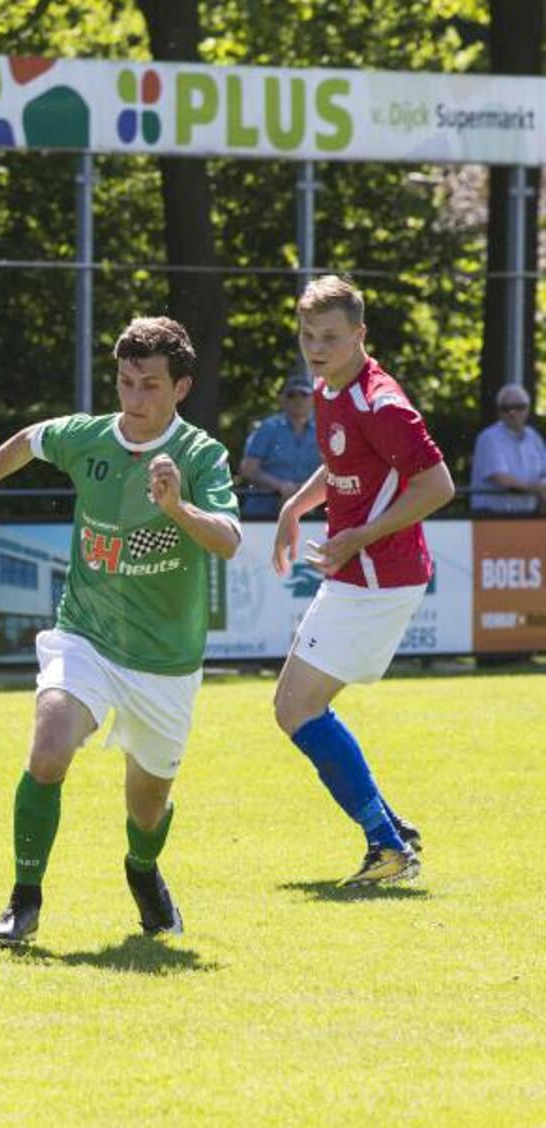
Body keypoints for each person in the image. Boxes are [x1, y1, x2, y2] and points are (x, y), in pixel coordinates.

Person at [0, 316, 241, 946]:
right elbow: (28, 440)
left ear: (181, 389)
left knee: (147, 806)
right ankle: (23, 899)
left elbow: (230, 541)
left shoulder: (200, 455)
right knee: (49, 749)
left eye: (150, 386)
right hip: (86, 636)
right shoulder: (88, 438)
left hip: (165, 661)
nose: (134, 400)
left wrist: (176, 507)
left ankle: (142, 869)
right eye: (126, 383)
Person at [271, 276, 453, 886]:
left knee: (296, 706)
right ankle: (391, 832)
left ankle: (387, 844)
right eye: (307, 335)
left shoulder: (384, 402)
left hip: (378, 575)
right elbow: (344, 464)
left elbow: (437, 486)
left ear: (359, 336)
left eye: (329, 336)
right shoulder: (328, 388)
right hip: (356, 568)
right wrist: (295, 507)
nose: (316, 347)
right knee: (299, 705)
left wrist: (359, 538)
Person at [238, 372, 321, 519]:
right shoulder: (268, 428)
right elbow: (248, 469)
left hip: (309, 516)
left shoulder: (324, 430)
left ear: (314, 398)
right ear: (282, 400)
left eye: (304, 394)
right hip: (262, 516)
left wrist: (307, 489)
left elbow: (333, 469)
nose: (298, 400)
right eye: (291, 395)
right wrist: (280, 486)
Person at [468, 384, 546, 513]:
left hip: (527, 516)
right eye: (506, 408)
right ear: (499, 411)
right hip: (491, 517)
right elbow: (500, 478)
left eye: (519, 407)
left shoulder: (534, 438)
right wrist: (537, 488)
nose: (512, 412)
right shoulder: (489, 438)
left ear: (528, 408)